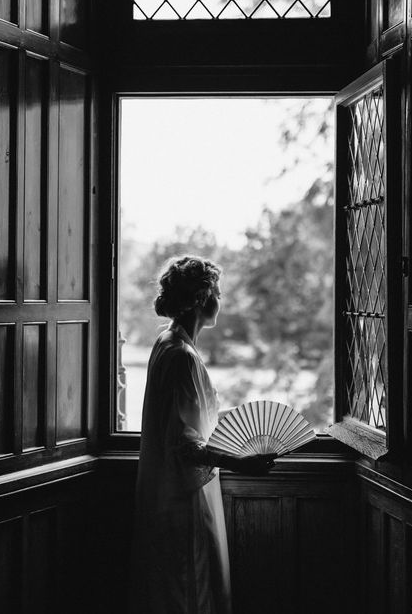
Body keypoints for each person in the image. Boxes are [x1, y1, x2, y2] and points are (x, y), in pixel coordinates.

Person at [129, 255, 276, 614]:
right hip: (185, 496)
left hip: (174, 492)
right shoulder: (181, 356)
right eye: (218, 293)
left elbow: (193, 419)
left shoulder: (167, 343)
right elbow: (185, 444)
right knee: (190, 590)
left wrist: (243, 415)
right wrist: (242, 464)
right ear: (201, 298)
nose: (221, 301)